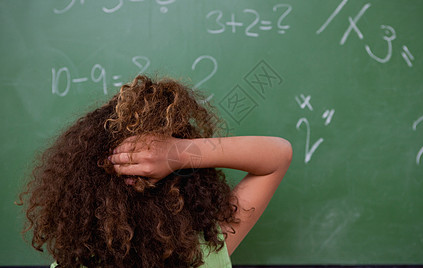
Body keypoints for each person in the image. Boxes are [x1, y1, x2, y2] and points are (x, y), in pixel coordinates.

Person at [18, 75, 292, 267]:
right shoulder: (205, 256)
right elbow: (278, 155)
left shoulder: (71, 264)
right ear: (192, 185)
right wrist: (179, 153)